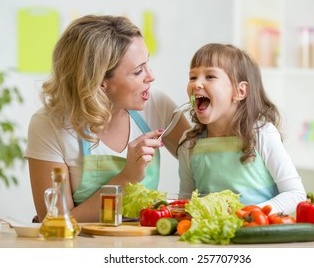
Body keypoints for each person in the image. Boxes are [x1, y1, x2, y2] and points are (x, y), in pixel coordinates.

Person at [25, 15, 190, 222]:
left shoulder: (156, 105)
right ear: (101, 81)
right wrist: (127, 177)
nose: (151, 76)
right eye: (138, 71)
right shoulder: (50, 125)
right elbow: (56, 222)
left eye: (147, 64)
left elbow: (202, 161)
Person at [178, 43, 306, 214]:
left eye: (209, 76)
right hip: (212, 238)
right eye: (193, 77)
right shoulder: (189, 143)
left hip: (257, 235)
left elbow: (295, 195)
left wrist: (249, 214)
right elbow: (186, 201)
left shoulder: (262, 134)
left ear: (240, 91)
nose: (197, 84)